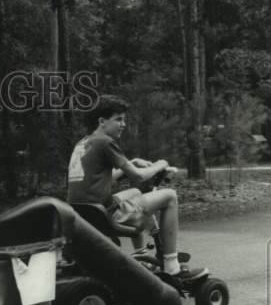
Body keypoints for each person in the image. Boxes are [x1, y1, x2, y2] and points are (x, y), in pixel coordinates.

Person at [67, 95, 208, 283]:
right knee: (170, 196)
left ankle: (140, 256)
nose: (123, 124)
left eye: (124, 119)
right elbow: (138, 176)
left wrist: (132, 162)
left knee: (135, 193)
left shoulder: (85, 142)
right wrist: (161, 164)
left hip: (86, 214)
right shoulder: (105, 142)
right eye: (118, 119)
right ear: (102, 121)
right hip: (106, 216)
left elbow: (101, 178)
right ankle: (172, 265)